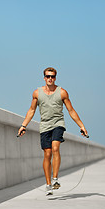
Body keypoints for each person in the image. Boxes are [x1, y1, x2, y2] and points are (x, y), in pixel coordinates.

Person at [18, 67, 88, 195]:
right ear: (44, 78)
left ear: (55, 78)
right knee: (47, 154)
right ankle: (48, 184)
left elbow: (71, 110)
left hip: (58, 124)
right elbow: (32, 110)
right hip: (44, 125)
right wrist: (23, 125)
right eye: (48, 76)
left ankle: (55, 179)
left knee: (55, 148)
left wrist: (81, 126)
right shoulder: (37, 93)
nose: (50, 79)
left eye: (53, 76)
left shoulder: (62, 92)